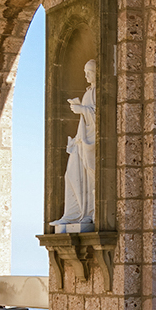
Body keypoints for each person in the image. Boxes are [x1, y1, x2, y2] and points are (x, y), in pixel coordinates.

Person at [50, 59, 97, 231]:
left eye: (89, 72)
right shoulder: (87, 94)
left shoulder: (97, 92)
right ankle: (70, 215)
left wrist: (82, 110)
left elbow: (99, 117)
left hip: (90, 144)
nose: (86, 76)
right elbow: (86, 119)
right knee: (71, 174)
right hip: (81, 141)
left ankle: (88, 214)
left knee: (88, 179)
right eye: (85, 72)